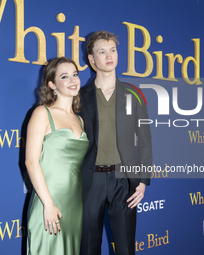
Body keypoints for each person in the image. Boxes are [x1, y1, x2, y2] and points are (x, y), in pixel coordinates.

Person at [79, 31, 153, 255]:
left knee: (125, 248)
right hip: (91, 181)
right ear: (92, 60)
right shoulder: (81, 97)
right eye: (102, 52)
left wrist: (142, 182)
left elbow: (145, 141)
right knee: (88, 246)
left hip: (124, 181)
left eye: (112, 50)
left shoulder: (133, 94)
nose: (109, 56)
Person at [25, 57, 89, 255]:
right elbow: (31, 162)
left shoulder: (80, 119)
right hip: (49, 200)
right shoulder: (42, 113)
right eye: (64, 76)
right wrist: (48, 204)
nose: (73, 80)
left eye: (75, 75)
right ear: (52, 84)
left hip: (75, 202)